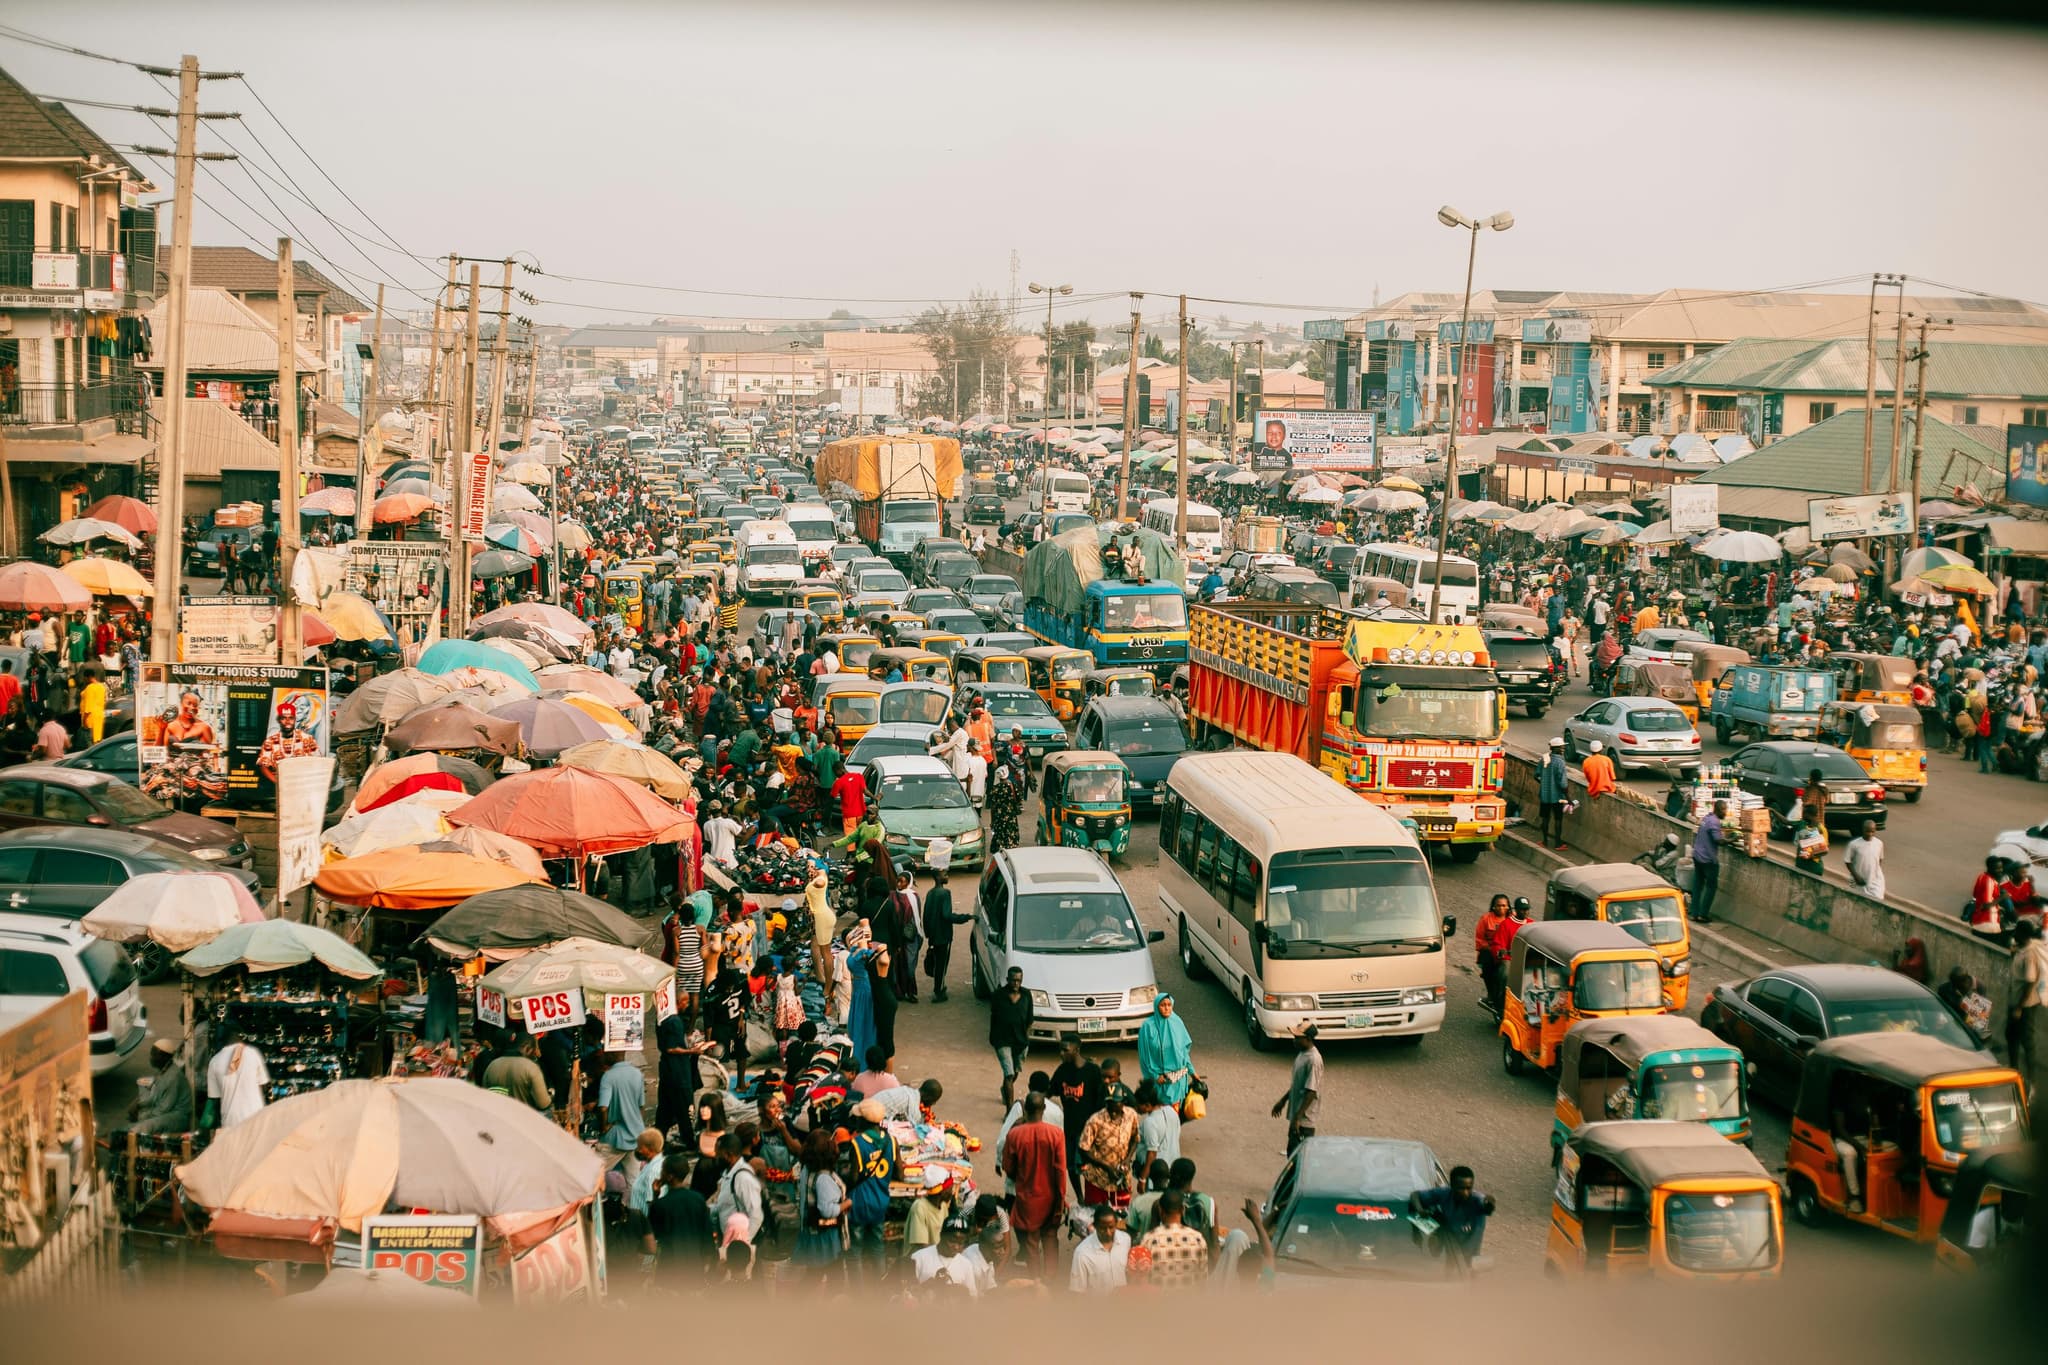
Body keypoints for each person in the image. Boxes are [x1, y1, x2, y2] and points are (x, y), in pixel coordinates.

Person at [1001, 1091, 1068, 1282]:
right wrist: (1061, 1199)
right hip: (1052, 1196)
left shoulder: (1015, 1134)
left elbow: (1008, 1168)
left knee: (1030, 1243)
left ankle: (1035, 1281)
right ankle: (1051, 1278)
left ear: (1026, 1110)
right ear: (1044, 1109)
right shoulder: (1056, 1134)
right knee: (1050, 1237)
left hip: (1027, 1197)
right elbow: (1061, 1170)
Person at [1409, 1165, 1495, 1273]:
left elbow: (1487, 1208)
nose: (1465, 1193)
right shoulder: (1444, 1194)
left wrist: (1490, 1204)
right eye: (1461, 1188)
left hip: (1468, 1263)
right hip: (1450, 1253)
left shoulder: (1477, 1200)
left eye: (1469, 1188)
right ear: (1452, 1186)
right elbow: (1415, 1196)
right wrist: (1420, 1210)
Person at [1077, 1082, 1140, 1211]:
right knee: (1096, 1218)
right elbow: (1083, 1149)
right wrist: (1106, 1167)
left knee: (1121, 1217)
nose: (1112, 1110)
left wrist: (1128, 1160)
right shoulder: (1095, 1120)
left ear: (1123, 1102)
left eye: (1115, 1105)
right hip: (1097, 1178)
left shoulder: (1131, 1115)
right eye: (1109, 1105)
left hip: (1121, 1179)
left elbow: (1135, 1139)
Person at [1139, 1189, 1210, 1290]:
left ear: (1160, 1210)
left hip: (1158, 1304)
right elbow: (1202, 1282)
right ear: (1182, 1210)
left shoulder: (1149, 1240)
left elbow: (1143, 1281)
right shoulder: (1198, 1239)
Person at [1136, 992, 1195, 1110]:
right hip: (1159, 1081)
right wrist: (1154, 1076)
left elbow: (1183, 1052)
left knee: (1174, 1113)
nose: (1167, 1008)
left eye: (1169, 1005)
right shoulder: (1147, 1027)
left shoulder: (1177, 1022)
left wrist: (1193, 1072)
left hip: (1177, 1079)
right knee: (1159, 1114)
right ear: (1157, 1007)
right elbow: (1144, 1056)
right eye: (1163, 1005)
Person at [920, 865, 971, 1002]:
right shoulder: (945, 893)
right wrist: (965, 917)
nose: (947, 876)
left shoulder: (931, 893)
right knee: (942, 965)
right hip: (944, 935)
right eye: (945, 874)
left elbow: (926, 915)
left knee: (938, 963)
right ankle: (939, 991)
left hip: (934, 935)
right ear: (938, 877)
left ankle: (939, 988)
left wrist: (928, 934)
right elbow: (947, 915)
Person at [204, 1026, 270, 1129]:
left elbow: (214, 1099)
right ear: (240, 1036)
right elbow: (264, 1085)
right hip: (255, 1119)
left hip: (230, 1122)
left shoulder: (214, 1061)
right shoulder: (253, 1054)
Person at [989, 965, 1034, 1107]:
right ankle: (1009, 1109)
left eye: (1019, 981)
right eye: (1013, 980)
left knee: (1014, 1072)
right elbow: (994, 1017)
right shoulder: (998, 995)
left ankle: (1005, 1089)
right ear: (1007, 979)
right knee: (1008, 1074)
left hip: (1020, 1041)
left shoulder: (1027, 995)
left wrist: (1025, 1038)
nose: (1016, 984)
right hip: (1002, 1040)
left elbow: (1029, 1019)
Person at [1272, 1023, 1322, 1151]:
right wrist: (1283, 1101)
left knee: (1298, 1158)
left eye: (1297, 1037)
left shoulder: (1313, 1060)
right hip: (1297, 1116)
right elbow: (1298, 1084)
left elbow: (1311, 1092)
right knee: (1292, 1154)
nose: (1294, 1040)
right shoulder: (1302, 1054)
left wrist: (1298, 1118)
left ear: (1308, 1039)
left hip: (1304, 1121)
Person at [129, 1039, 194, 1134]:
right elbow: (154, 1097)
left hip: (178, 1118)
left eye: (154, 1055)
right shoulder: (164, 1071)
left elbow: (163, 1109)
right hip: (167, 1113)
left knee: (144, 1127)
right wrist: (137, 1104)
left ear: (164, 1057)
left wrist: (140, 1116)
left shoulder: (173, 1077)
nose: (151, 1058)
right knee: (138, 1122)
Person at [2009, 919, 2046, 1084]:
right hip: (2016, 1001)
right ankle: (2013, 1071)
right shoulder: (2021, 950)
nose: (2014, 934)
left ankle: (2032, 1079)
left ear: (2023, 935)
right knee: (2011, 1037)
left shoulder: (2030, 954)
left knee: (2026, 1041)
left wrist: (2019, 1008)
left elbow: (2030, 981)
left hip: (2026, 1005)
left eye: (2017, 932)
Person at [910, 1216, 981, 1296]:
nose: (956, 1247)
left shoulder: (966, 1264)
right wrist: (925, 1287)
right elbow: (908, 1294)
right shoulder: (919, 1258)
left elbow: (972, 1297)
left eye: (961, 1243)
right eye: (952, 1241)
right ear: (941, 1235)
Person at [484, 1034, 554, 1113]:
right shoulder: (531, 1067)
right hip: (523, 1120)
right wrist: (551, 1095)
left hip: (499, 1118)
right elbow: (543, 1104)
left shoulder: (493, 1065)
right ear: (528, 1049)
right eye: (534, 1050)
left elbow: (485, 1096)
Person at [1068, 1203, 1130, 1294]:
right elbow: (1077, 1291)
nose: (1108, 1233)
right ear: (1095, 1226)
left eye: (1111, 1227)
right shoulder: (1082, 1253)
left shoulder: (1126, 1240)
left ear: (1116, 1224)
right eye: (1103, 1229)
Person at [597, 1050, 646, 1151]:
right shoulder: (637, 1073)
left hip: (617, 1138)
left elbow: (603, 1108)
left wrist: (604, 1127)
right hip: (637, 1135)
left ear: (612, 1055)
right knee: (634, 1166)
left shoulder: (608, 1076)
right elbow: (641, 1106)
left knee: (599, 1165)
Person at [1132, 1081, 1182, 1173]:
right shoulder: (1171, 1111)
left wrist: (1143, 1178)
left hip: (1156, 1171)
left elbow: (1152, 1153)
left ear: (1147, 1105)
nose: (1136, 1108)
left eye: (1138, 1105)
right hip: (1173, 1165)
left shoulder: (1149, 1122)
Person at [1474, 894, 1511, 1015]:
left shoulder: (1512, 919)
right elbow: (1480, 939)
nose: (1501, 908)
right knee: (1487, 960)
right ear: (1493, 907)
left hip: (1508, 952)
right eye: (1498, 905)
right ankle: (1491, 995)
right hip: (1490, 952)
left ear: (1508, 907)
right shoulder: (1485, 919)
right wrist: (1492, 949)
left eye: (1504, 905)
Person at [1690, 800, 1725, 923]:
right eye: (1723, 810)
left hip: (1697, 856)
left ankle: (1694, 912)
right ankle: (1703, 914)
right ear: (1718, 810)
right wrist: (1731, 839)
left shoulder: (1707, 818)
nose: (1725, 812)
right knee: (1711, 887)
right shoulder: (1715, 822)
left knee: (1697, 885)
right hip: (1707, 860)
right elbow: (1718, 840)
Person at [1844, 819, 1886, 901]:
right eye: (1867, 831)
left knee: (1878, 900)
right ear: (1862, 830)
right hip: (1859, 880)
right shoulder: (1854, 845)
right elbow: (1848, 861)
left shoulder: (1879, 843)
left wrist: (1875, 872)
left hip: (1875, 881)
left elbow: (1880, 859)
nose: (1870, 834)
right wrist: (1856, 877)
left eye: (1872, 832)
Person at [1539, 737, 1569, 850]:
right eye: (1562, 747)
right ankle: (1557, 843)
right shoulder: (1560, 762)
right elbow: (1563, 784)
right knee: (1558, 820)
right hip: (1557, 797)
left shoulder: (1544, 759)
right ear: (1556, 748)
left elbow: (1537, 775)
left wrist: (1544, 785)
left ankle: (1544, 841)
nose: (1563, 749)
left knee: (1545, 818)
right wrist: (1568, 798)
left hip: (1544, 795)